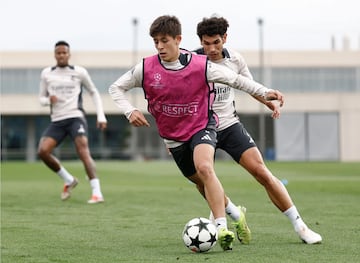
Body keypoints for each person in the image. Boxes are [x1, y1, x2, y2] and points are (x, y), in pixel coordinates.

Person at [109, 15, 284, 251]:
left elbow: (236, 80)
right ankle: (235, 213)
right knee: (201, 182)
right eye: (156, 42)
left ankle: (221, 227)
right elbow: (116, 88)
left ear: (178, 39)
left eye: (164, 41)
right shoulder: (145, 67)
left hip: (202, 126)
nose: (160, 46)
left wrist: (266, 92)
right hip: (173, 137)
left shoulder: (200, 65)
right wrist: (129, 111)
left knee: (205, 168)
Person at [194, 16, 322, 244]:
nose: (211, 48)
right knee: (204, 180)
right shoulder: (192, 61)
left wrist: (268, 101)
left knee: (262, 172)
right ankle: (230, 215)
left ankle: (301, 226)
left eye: (216, 42)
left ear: (224, 38)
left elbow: (249, 86)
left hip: (229, 125)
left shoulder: (236, 60)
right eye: (206, 43)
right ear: (200, 42)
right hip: (201, 128)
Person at [38, 40, 107, 204]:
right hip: (57, 121)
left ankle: (97, 193)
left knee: (83, 150)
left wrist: (101, 115)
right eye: (58, 53)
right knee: (42, 151)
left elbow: (93, 91)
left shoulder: (79, 72)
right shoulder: (46, 73)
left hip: (75, 117)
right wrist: (48, 99)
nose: (61, 55)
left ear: (69, 54)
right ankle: (69, 180)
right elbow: (40, 99)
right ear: (55, 55)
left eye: (64, 53)